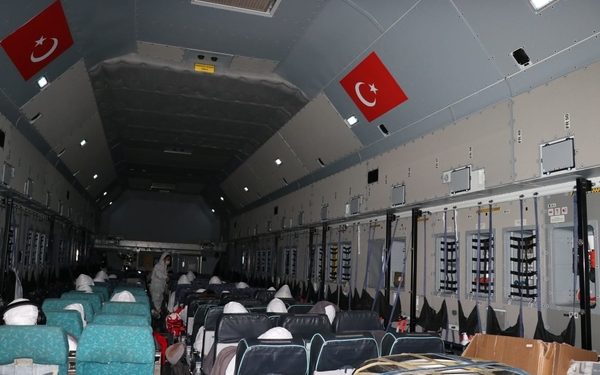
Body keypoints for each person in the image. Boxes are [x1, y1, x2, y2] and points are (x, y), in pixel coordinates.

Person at [150, 252, 171, 317]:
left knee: (160, 299)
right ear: (163, 258)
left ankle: (157, 313)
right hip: (156, 286)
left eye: (169, 259)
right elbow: (158, 275)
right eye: (167, 259)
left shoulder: (165, 267)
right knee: (156, 300)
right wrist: (166, 277)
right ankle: (155, 314)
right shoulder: (158, 266)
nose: (168, 261)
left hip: (161, 287)